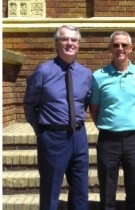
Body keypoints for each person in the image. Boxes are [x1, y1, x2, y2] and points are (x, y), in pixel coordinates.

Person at [23, 25, 92, 210]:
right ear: (56, 43)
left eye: (74, 40)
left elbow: (83, 102)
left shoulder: (86, 74)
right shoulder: (43, 71)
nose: (70, 43)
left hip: (78, 137)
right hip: (52, 137)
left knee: (80, 190)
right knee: (51, 190)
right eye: (65, 39)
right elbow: (30, 105)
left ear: (79, 44)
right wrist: (41, 131)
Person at [89, 31, 135, 210]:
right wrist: (109, 124)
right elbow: (94, 108)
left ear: (131, 48)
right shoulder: (98, 76)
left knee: (134, 186)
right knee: (107, 187)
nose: (120, 48)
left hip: (134, 138)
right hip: (108, 139)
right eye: (116, 45)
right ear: (110, 48)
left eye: (124, 45)